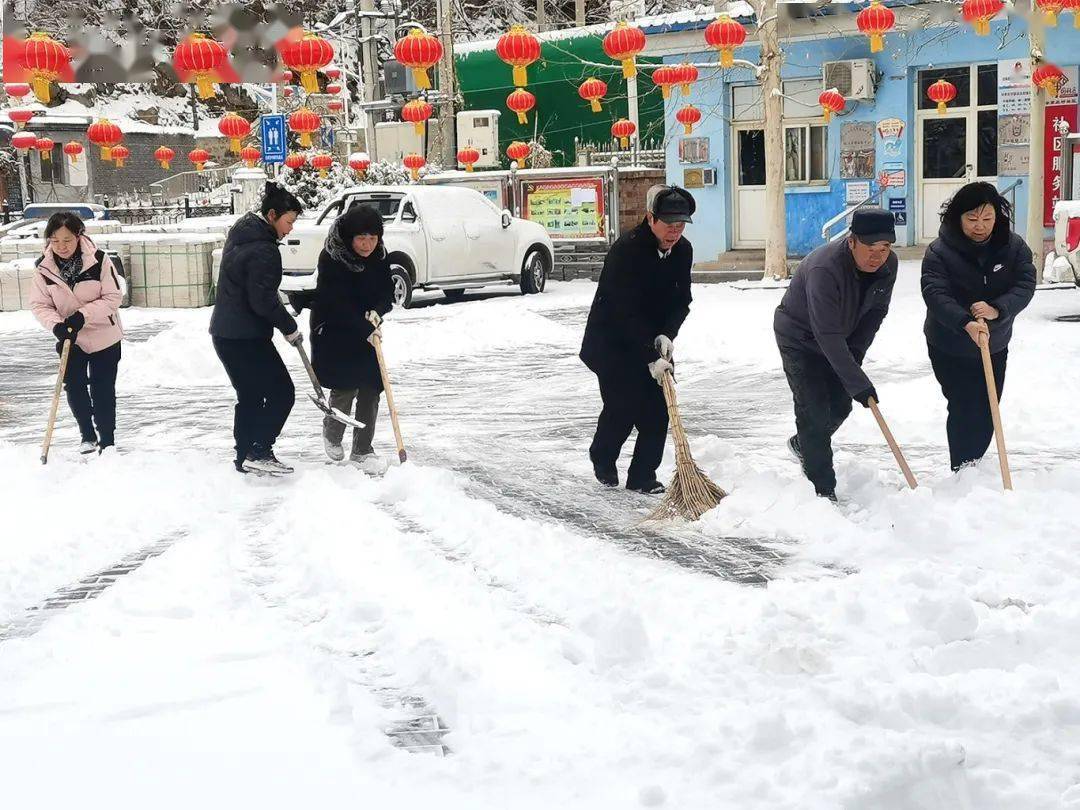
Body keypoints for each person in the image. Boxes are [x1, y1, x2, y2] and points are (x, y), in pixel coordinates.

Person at [774, 208, 898, 501]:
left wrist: (854, 357)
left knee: (840, 407)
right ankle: (822, 489)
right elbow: (825, 333)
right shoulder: (824, 268)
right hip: (800, 340)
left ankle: (806, 444)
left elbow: (875, 314)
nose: (877, 256)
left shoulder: (888, 265)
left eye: (885, 248)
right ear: (852, 241)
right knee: (814, 411)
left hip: (840, 339)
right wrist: (859, 381)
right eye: (870, 248)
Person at [580, 185, 695, 494]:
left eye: (681, 225)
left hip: (654, 341)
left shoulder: (682, 251)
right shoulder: (626, 251)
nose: (675, 232)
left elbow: (682, 299)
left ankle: (642, 476)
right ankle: (602, 455)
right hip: (613, 342)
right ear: (650, 218)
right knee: (623, 406)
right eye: (669, 225)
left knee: (658, 411)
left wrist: (667, 335)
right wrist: (649, 354)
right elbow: (623, 311)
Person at [921, 181, 1035, 471]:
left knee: (988, 408)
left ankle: (974, 466)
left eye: (987, 218)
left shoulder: (1014, 247)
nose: (980, 226)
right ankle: (962, 469)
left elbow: (1025, 283)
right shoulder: (939, 252)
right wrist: (965, 322)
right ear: (957, 217)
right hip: (950, 343)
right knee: (963, 405)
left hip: (994, 341)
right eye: (971, 219)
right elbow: (935, 293)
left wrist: (998, 308)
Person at [209, 183, 304, 475]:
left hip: (227, 333)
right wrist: (290, 327)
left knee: (250, 395)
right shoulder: (263, 249)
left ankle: (246, 456)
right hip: (245, 336)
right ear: (272, 215)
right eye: (288, 222)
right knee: (282, 392)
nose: (290, 230)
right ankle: (259, 449)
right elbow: (262, 301)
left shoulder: (243, 233)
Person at [310, 204, 396, 472]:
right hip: (335, 329)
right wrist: (364, 328)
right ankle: (333, 434)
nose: (368, 244)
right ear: (350, 237)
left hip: (368, 328)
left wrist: (377, 311)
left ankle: (362, 449)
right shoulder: (332, 258)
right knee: (345, 386)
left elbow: (386, 292)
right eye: (361, 238)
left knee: (371, 387)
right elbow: (335, 304)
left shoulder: (380, 256)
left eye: (373, 238)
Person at [29, 211, 124, 455]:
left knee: (103, 389)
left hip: (104, 334)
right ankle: (87, 435)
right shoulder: (43, 269)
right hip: (71, 338)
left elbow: (113, 297)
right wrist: (57, 325)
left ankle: (107, 438)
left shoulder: (99, 260)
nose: (61, 246)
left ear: (79, 236)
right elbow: (40, 304)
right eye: (55, 240)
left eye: (67, 240)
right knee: (75, 386)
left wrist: (83, 315)